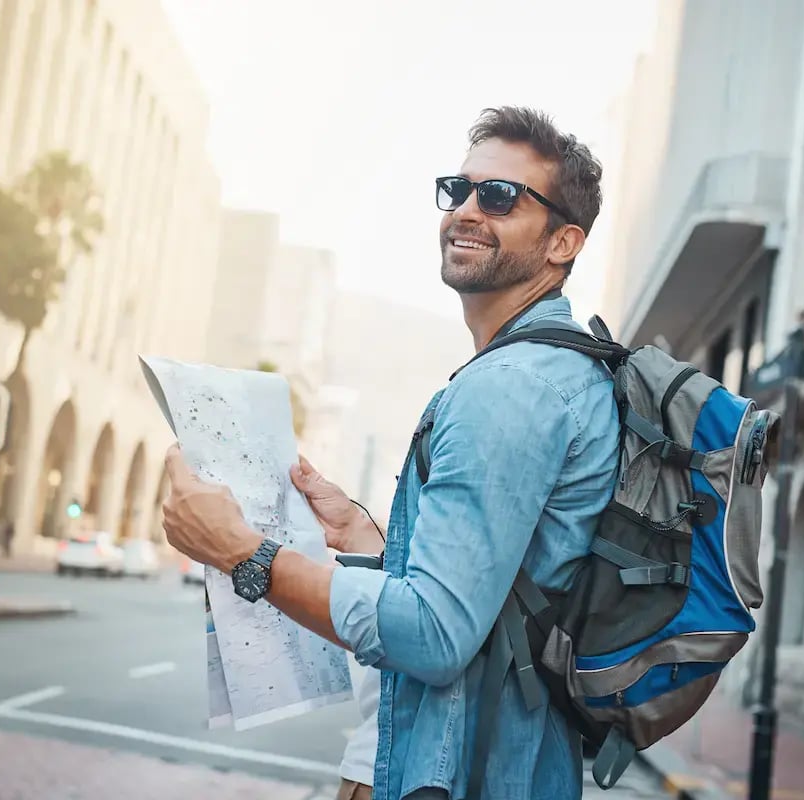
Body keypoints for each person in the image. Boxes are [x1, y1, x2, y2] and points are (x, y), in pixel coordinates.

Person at [161, 106, 619, 800]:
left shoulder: (512, 388)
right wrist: (371, 539)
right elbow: (495, 596)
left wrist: (242, 553)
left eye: (498, 197)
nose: (466, 211)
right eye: (456, 190)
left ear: (562, 242)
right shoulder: (538, 374)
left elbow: (434, 634)